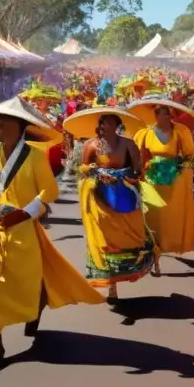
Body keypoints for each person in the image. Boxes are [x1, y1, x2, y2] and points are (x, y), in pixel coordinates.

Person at [0, 97, 104, 369]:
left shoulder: (34, 156)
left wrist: (26, 212)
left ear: (20, 128)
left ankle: (36, 309)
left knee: (28, 281)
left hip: (22, 226)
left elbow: (49, 191)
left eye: (5, 125)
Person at [68, 107, 156, 303]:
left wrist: (124, 177)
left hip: (123, 196)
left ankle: (148, 255)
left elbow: (138, 169)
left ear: (117, 125)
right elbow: (83, 170)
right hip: (100, 196)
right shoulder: (91, 145)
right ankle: (112, 286)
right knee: (105, 241)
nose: (102, 126)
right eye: (101, 122)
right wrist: (94, 172)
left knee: (130, 237)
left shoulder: (127, 144)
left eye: (107, 122)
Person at [130, 97, 194, 273]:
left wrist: (182, 167)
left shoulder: (180, 131)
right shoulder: (145, 133)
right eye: (158, 112)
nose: (161, 115)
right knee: (153, 220)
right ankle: (155, 257)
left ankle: (164, 249)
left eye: (165, 112)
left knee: (170, 220)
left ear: (170, 114)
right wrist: (138, 174)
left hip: (174, 184)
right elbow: (138, 159)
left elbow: (191, 156)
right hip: (151, 182)